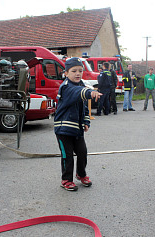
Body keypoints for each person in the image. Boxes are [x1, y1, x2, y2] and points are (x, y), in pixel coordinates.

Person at [54, 57, 101, 191]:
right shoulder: (66, 87)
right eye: (74, 71)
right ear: (66, 73)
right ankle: (66, 180)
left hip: (77, 129)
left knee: (82, 152)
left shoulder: (81, 86)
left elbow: (84, 107)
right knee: (67, 156)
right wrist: (90, 92)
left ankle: (81, 174)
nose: (78, 73)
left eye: (80, 70)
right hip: (63, 129)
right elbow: (78, 93)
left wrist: (86, 121)